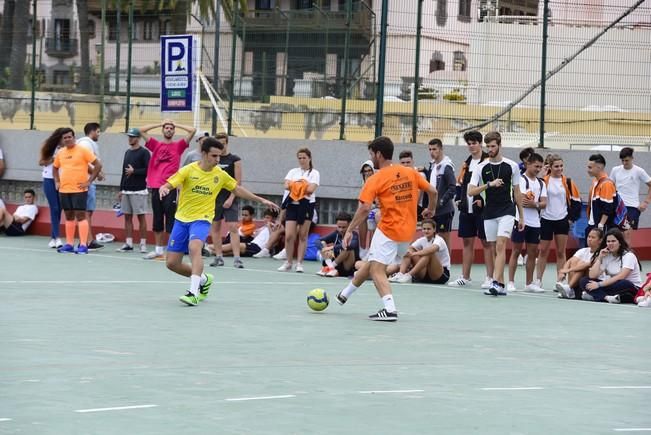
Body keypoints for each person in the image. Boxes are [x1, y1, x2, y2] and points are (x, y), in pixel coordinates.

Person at [159, 137, 278, 306]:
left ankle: (193, 293)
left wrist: (261, 200)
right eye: (214, 156)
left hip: (202, 219)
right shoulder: (189, 170)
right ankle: (204, 279)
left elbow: (237, 189)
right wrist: (164, 188)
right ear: (204, 154)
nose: (217, 160)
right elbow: (170, 183)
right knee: (172, 263)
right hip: (182, 219)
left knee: (194, 248)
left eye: (219, 156)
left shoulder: (220, 175)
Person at [334, 136, 437, 322]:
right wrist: (431, 209)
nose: (371, 158)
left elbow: (364, 208)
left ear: (379, 154)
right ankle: (345, 294)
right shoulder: (410, 172)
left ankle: (390, 310)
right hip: (408, 232)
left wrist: (349, 230)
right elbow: (433, 192)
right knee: (373, 262)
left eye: (372, 154)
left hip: (389, 230)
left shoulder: (375, 178)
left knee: (376, 270)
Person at [467, 131, 525, 296]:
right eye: (488, 146)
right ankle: (500, 283)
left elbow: (517, 192)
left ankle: (496, 283)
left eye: (493, 146)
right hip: (489, 212)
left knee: (501, 244)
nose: (490, 149)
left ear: (500, 145)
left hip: (507, 210)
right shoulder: (481, 167)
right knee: (492, 248)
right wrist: (489, 185)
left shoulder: (512, 166)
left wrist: (521, 216)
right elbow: (470, 192)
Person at [139, 119, 196, 260]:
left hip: (170, 187)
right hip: (155, 187)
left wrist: (177, 124)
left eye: (171, 128)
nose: (169, 130)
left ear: (174, 130)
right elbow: (141, 130)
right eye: (167, 128)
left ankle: (171, 251)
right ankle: (158, 250)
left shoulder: (178, 146)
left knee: (170, 220)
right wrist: (160, 123)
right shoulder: (155, 145)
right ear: (163, 130)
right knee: (157, 220)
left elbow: (193, 130)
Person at [448, 130, 494, 289]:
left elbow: (492, 185)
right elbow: (460, 183)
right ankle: (465, 276)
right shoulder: (466, 164)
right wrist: (459, 199)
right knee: (467, 242)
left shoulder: (488, 162)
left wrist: (482, 201)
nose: (471, 146)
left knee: (486, 243)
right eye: (469, 143)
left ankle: (490, 277)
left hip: (483, 211)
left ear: (480, 143)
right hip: (466, 210)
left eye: (474, 142)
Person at [53, 127, 103, 254]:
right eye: (65, 138)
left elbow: (98, 165)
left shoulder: (83, 150)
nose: (68, 139)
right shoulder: (60, 153)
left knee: (81, 216)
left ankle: (83, 245)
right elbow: (55, 168)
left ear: (74, 137)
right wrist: (57, 181)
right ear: (62, 140)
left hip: (79, 189)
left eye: (70, 137)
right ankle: (69, 244)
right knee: (68, 216)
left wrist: (89, 181)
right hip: (64, 189)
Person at [536, 154, 581, 284]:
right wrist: (542, 175)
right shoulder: (543, 181)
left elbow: (576, 202)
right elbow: (535, 193)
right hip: (546, 219)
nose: (560, 168)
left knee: (561, 252)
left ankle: (560, 280)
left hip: (562, 220)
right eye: (556, 166)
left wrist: (571, 219)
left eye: (561, 166)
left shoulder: (568, 182)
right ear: (549, 167)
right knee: (543, 251)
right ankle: (538, 280)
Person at [506, 153, 547, 292]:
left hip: (535, 222)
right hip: (520, 220)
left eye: (540, 167)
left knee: (532, 253)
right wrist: (536, 203)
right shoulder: (521, 180)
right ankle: (510, 282)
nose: (538, 169)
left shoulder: (541, 183)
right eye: (536, 166)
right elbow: (522, 201)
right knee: (516, 251)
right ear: (527, 164)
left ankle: (529, 283)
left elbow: (544, 203)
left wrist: (534, 204)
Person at [277, 148, 320, 273]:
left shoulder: (314, 173)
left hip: (306, 205)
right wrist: (302, 185)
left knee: (302, 235)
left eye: (304, 158)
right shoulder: (293, 172)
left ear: (309, 158)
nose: (301, 160)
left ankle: (299, 263)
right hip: (292, 204)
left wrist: (294, 185)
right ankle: (288, 262)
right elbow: (286, 185)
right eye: (299, 158)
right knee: (289, 235)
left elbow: (311, 189)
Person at [579, 228, 642, 304]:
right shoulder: (607, 255)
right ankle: (606, 297)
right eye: (608, 241)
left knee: (624, 283)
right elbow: (593, 275)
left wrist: (599, 285)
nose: (610, 243)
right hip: (612, 286)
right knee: (584, 281)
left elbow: (621, 276)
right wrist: (599, 258)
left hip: (630, 287)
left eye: (613, 241)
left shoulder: (628, 256)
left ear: (620, 243)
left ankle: (596, 295)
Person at [210, 133, 244, 268]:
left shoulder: (235, 159)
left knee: (233, 227)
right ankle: (218, 257)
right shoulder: (213, 159)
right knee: (215, 227)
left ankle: (237, 258)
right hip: (214, 199)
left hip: (230, 197)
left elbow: (238, 182)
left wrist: (231, 198)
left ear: (227, 143)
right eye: (218, 144)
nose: (221, 146)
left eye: (223, 143)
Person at [116, 128, 151, 253]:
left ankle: (143, 244)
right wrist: (121, 189)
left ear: (138, 138)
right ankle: (129, 243)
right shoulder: (127, 152)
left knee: (141, 217)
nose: (130, 138)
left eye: (133, 136)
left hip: (139, 190)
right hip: (127, 190)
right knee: (127, 217)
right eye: (129, 136)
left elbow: (149, 170)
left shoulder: (144, 152)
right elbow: (123, 172)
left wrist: (134, 171)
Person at [389, 219, 451, 285]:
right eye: (424, 229)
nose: (426, 231)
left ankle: (408, 275)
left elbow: (432, 249)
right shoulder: (422, 240)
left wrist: (414, 254)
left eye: (428, 229)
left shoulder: (439, 240)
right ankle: (400, 274)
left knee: (429, 253)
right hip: (425, 273)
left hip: (440, 275)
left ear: (434, 229)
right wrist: (409, 253)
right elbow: (410, 249)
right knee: (409, 251)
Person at [610, 147, 651, 245]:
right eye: (622, 160)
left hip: (632, 207)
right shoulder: (615, 170)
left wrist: (646, 202)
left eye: (627, 160)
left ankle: (627, 258)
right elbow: (610, 186)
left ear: (632, 158)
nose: (624, 163)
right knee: (616, 235)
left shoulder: (639, 171)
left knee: (626, 234)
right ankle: (617, 259)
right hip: (617, 206)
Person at [77, 122, 105, 250]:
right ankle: (87, 240)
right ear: (92, 131)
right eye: (98, 132)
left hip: (89, 180)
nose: (99, 134)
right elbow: (85, 162)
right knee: (86, 211)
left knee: (88, 211)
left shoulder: (86, 144)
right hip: (86, 181)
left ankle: (87, 239)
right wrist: (96, 173)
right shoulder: (85, 144)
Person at [556, 227, 604, 299]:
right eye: (589, 236)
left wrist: (568, 270)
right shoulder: (583, 250)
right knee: (574, 261)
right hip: (579, 283)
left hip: (592, 283)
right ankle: (570, 289)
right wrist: (563, 272)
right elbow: (570, 261)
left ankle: (569, 288)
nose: (589, 239)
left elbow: (589, 264)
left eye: (593, 237)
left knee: (582, 264)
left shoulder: (602, 253)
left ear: (600, 240)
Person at [39, 128, 64, 248]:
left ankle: (53, 237)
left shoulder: (67, 148)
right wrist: (55, 158)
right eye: (63, 138)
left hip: (62, 179)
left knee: (59, 208)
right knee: (54, 207)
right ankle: (57, 237)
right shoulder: (49, 146)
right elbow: (41, 162)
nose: (65, 141)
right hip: (49, 179)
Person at [316, 211, 359, 278]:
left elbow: (351, 245)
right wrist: (324, 249)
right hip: (337, 265)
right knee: (322, 242)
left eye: (344, 227)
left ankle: (330, 267)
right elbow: (317, 241)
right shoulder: (335, 233)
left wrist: (332, 248)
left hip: (347, 267)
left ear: (350, 225)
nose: (341, 230)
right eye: (339, 227)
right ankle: (331, 268)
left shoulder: (354, 235)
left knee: (347, 247)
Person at [586, 153, 619, 237]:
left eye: (590, 167)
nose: (588, 170)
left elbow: (608, 207)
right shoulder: (595, 181)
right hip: (593, 224)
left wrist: (601, 225)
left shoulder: (606, 184)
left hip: (601, 227)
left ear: (599, 167)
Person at [358, 160, 377, 259]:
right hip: (368, 207)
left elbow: (378, 201)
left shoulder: (377, 180)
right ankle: (363, 248)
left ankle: (371, 249)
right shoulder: (364, 182)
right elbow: (361, 200)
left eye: (369, 170)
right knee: (361, 218)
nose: (367, 173)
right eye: (365, 171)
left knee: (372, 217)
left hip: (378, 208)